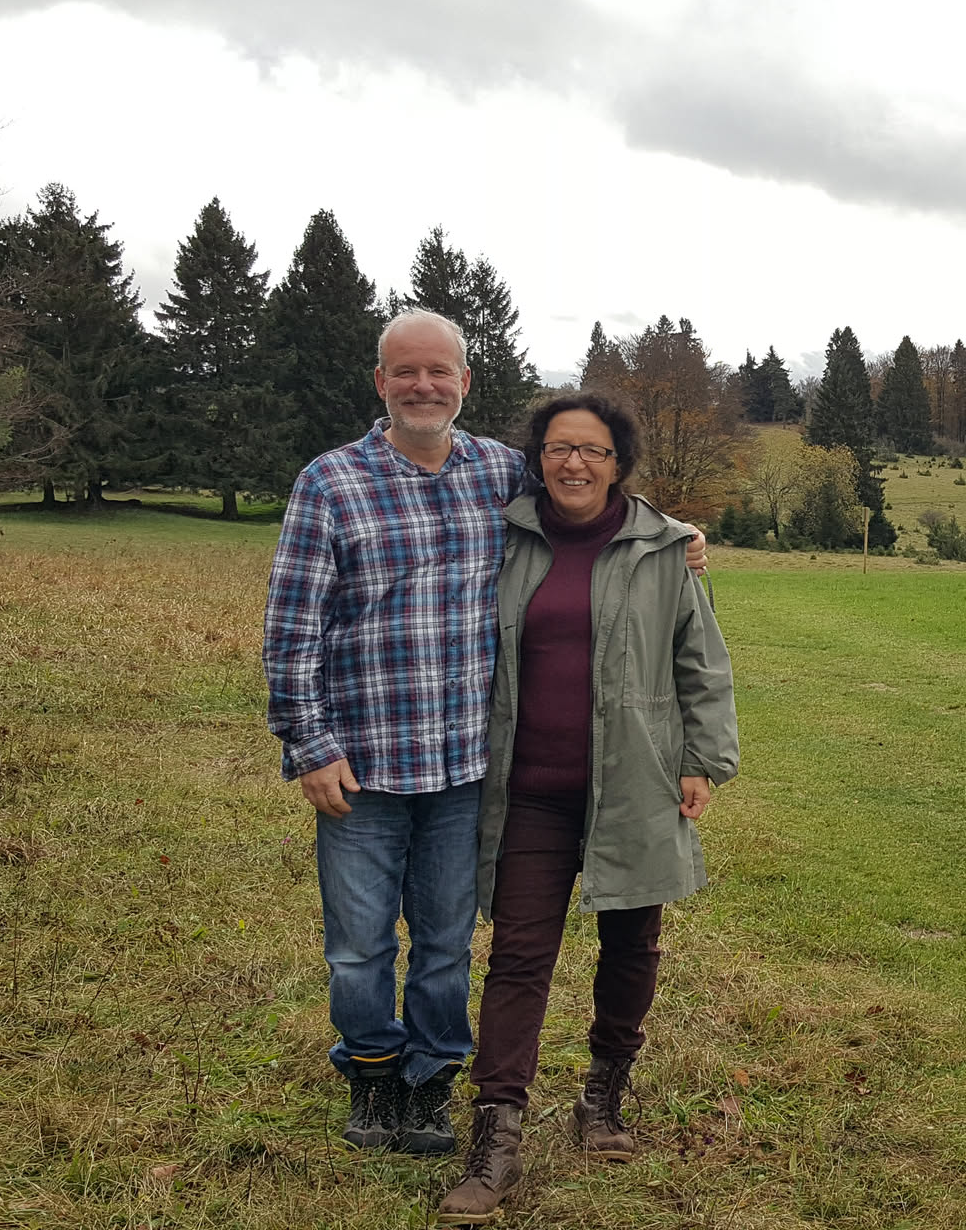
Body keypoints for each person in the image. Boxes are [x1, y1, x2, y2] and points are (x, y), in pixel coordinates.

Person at [263, 314, 703, 1157]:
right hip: (362, 766)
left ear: (465, 382)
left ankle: (431, 1079)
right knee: (357, 948)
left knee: (444, 945)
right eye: (405, 372)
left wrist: (679, 537)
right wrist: (310, 745)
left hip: (470, 767)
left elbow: (596, 497)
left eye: (440, 371)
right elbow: (291, 630)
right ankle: (373, 1072)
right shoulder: (330, 483)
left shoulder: (500, 473)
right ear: (381, 382)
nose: (423, 386)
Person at [437, 392, 738, 1222]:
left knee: (631, 947)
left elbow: (702, 663)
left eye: (593, 450)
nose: (574, 463)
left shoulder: (665, 548)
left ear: (618, 463)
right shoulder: (504, 538)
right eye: (559, 448)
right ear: (538, 460)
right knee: (518, 959)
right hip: (529, 791)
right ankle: (496, 1138)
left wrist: (705, 762)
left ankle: (603, 1098)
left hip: (637, 783)